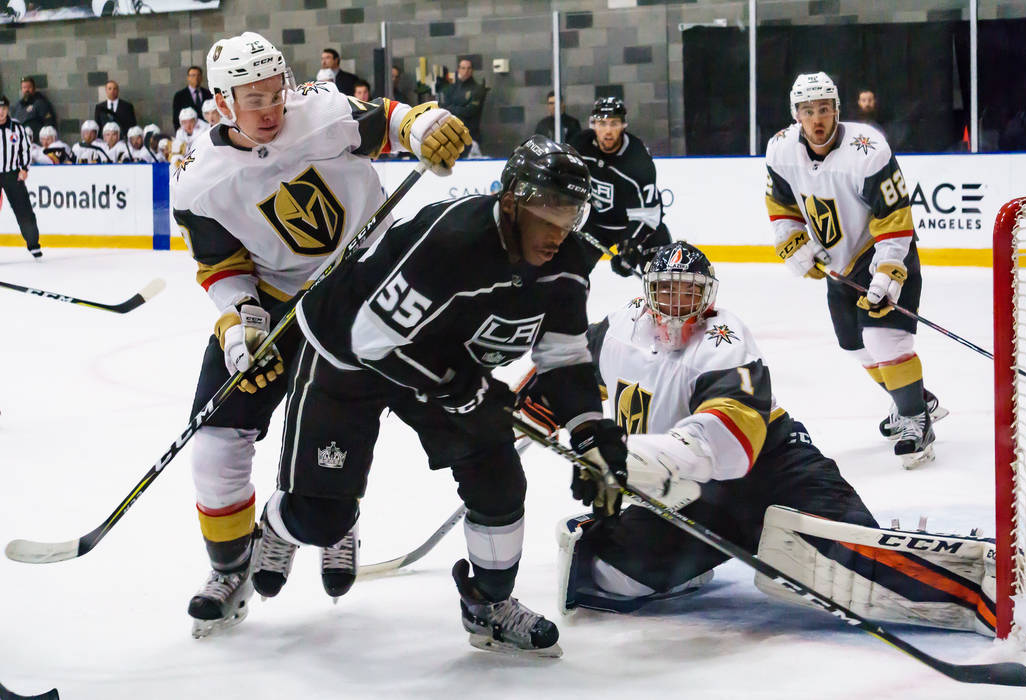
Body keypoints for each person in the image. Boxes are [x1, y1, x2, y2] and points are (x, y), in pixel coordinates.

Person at [249, 135, 622, 657]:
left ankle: (489, 607)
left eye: (570, 214)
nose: (559, 231)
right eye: (547, 213)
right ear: (511, 202)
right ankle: (283, 521)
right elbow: (373, 342)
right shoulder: (454, 241)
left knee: (499, 482)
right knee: (319, 519)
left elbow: (563, 356)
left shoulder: (567, 263)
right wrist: (463, 389)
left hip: (444, 364)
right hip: (347, 350)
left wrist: (590, 433)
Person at [171, 30, 470, 640]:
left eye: (275, 92)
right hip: (279, 298)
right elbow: (221, 266)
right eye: (253, 99)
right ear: (222, 103)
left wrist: (424, 124)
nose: (270, 109)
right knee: (216, 441)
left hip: (368, 283)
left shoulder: (322, 110)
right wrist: (239, 320)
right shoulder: (200, 181)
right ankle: (229, 568)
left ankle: (335, 513)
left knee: (345, 417)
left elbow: (390, 122)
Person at [544, 242, 997, 637]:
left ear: (708, 298)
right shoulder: (618, 329)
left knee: (858, 563)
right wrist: (523, 415)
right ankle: (688, 557)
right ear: (647, 294)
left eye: (689, 292)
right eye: (666, 290)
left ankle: (981, 588)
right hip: (695, 493)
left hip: (773, 467)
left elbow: (724, 440)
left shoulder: (724, 340)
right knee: (605, 577)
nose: (677, 304)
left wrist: (628, 458)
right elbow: (564, 377)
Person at [764, 72, 944, 468]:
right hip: (838, 266)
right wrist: (792, 240)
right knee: (855, 346)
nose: (817, 119)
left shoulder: (868, 149)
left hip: (879, 251)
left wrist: (888, 272)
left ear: (836, 109)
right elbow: (781, 205)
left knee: (885, 340)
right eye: (808, 111)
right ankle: (913, 397)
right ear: (795, 114)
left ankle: (916, 419)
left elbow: (894, 216)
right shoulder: (779, 150)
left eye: (824, 109)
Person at [568, 97, 669, 277]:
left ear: (623, 125)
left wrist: (631, 244)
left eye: (614, 123)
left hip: (635, 226)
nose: (608, 131)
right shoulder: (580, 146)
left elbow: (648, 215)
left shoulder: (638, 159)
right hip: (595, 225)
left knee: (662, 273)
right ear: (593, 125)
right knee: (567, 274)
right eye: (602, 123)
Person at [0, 95, 42, 258]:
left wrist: (24, 169)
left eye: (3, 108)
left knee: (23, 209)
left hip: (12, 174)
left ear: (7, 109)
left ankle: (33, 244)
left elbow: (25, 149)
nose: (1, 112)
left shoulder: (17, 128)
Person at [439, 58, 484, 156]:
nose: (466, 71)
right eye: (463, 68)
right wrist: (458, 108)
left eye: (468, 68)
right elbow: (443, 108)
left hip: (470, 134)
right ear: (458, 69)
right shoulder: (451, 88)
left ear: (472, 70)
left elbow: (470, 111)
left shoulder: (477, 89)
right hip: (451, 135)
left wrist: (452, 108)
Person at [172, 65, 213, 132]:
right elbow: (176, 118)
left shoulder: (208, 93)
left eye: (198, 75)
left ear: (201, 77)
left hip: (206, 130)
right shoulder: (179, 96)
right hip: (189, 132)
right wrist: (181, 133)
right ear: (188, 78)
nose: (196, 78)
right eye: (193, 75)